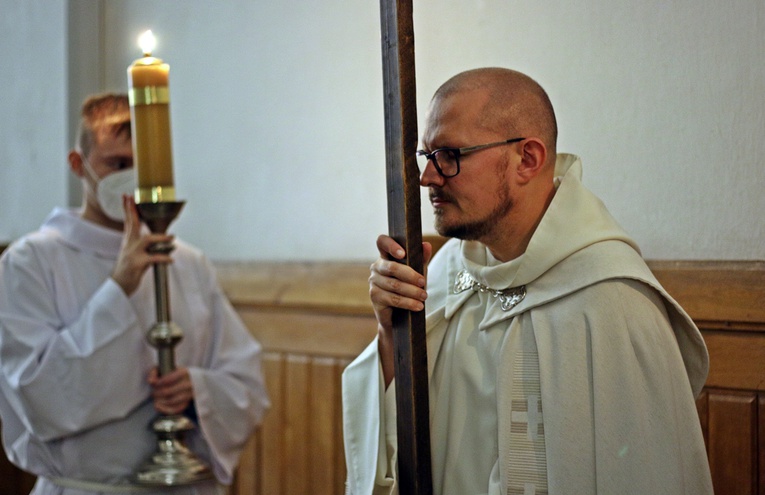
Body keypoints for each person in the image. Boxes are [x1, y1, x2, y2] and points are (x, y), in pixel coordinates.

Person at [342, 68, 713, 494]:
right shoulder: (448, 272)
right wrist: (392, 336)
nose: (428, 177)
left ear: (528, 160)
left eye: (449, 155)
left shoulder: (610, 301)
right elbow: (406, 443)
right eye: (427, 157)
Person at [0, 93, 270, 494]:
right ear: (79, 165)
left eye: (142, 165)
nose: (133, 179)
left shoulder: (189, 263)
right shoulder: (30, 262)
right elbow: (37, 396)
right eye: (117, 164)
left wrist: (197, 391)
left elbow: (246, 385)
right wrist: (118, 288)